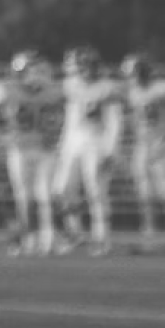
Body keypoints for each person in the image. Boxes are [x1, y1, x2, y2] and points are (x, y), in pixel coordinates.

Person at [0, 50, 62, 254]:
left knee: (45, 195)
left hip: (44, 149)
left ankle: (48, 237)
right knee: (24, 197)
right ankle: (28, 237)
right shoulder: (6, 90)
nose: (36, 75)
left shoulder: (52, 91)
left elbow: (62, 117)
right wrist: (1, 136)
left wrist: (56, 135)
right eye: (31, 70)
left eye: (38, 70)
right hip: (19, 149)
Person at [52, 46, 121, 255]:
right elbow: (70, 120)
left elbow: (115, 122)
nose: (78, 70)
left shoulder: (107, 87)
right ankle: (76, 233)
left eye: (80, 65)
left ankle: (102, 238)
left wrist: (111, 150)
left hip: (96, 143)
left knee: (96, 192)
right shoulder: (70, 86)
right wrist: (62, 145)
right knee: (61, 189)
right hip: (73, 144)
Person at [119, 55, 165, 255]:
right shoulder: (134, 93)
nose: (129, 79)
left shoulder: (163, 88)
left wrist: (164, 143)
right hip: (143, 145)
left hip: (163, 144)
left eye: (131, 74)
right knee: (144, 192)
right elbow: (136, 120)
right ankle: (149, 235)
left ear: (141, 73)